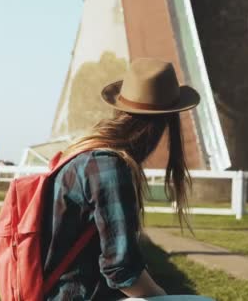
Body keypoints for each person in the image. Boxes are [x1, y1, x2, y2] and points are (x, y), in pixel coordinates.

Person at [40, 58, 200, 300]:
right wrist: (163, 296)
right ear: (167, 120)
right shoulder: (110, 167)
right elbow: (121, 269)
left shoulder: (85, 155)